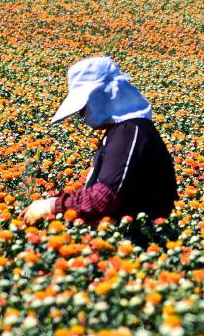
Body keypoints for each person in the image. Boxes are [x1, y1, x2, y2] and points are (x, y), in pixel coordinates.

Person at [23, 56, 177, 227]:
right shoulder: (123, 131)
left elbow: (102, 200)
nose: (81, 114)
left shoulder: (130, 132)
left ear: (101, 96)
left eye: (83, 105)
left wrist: (51, 205)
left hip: (139, 244)